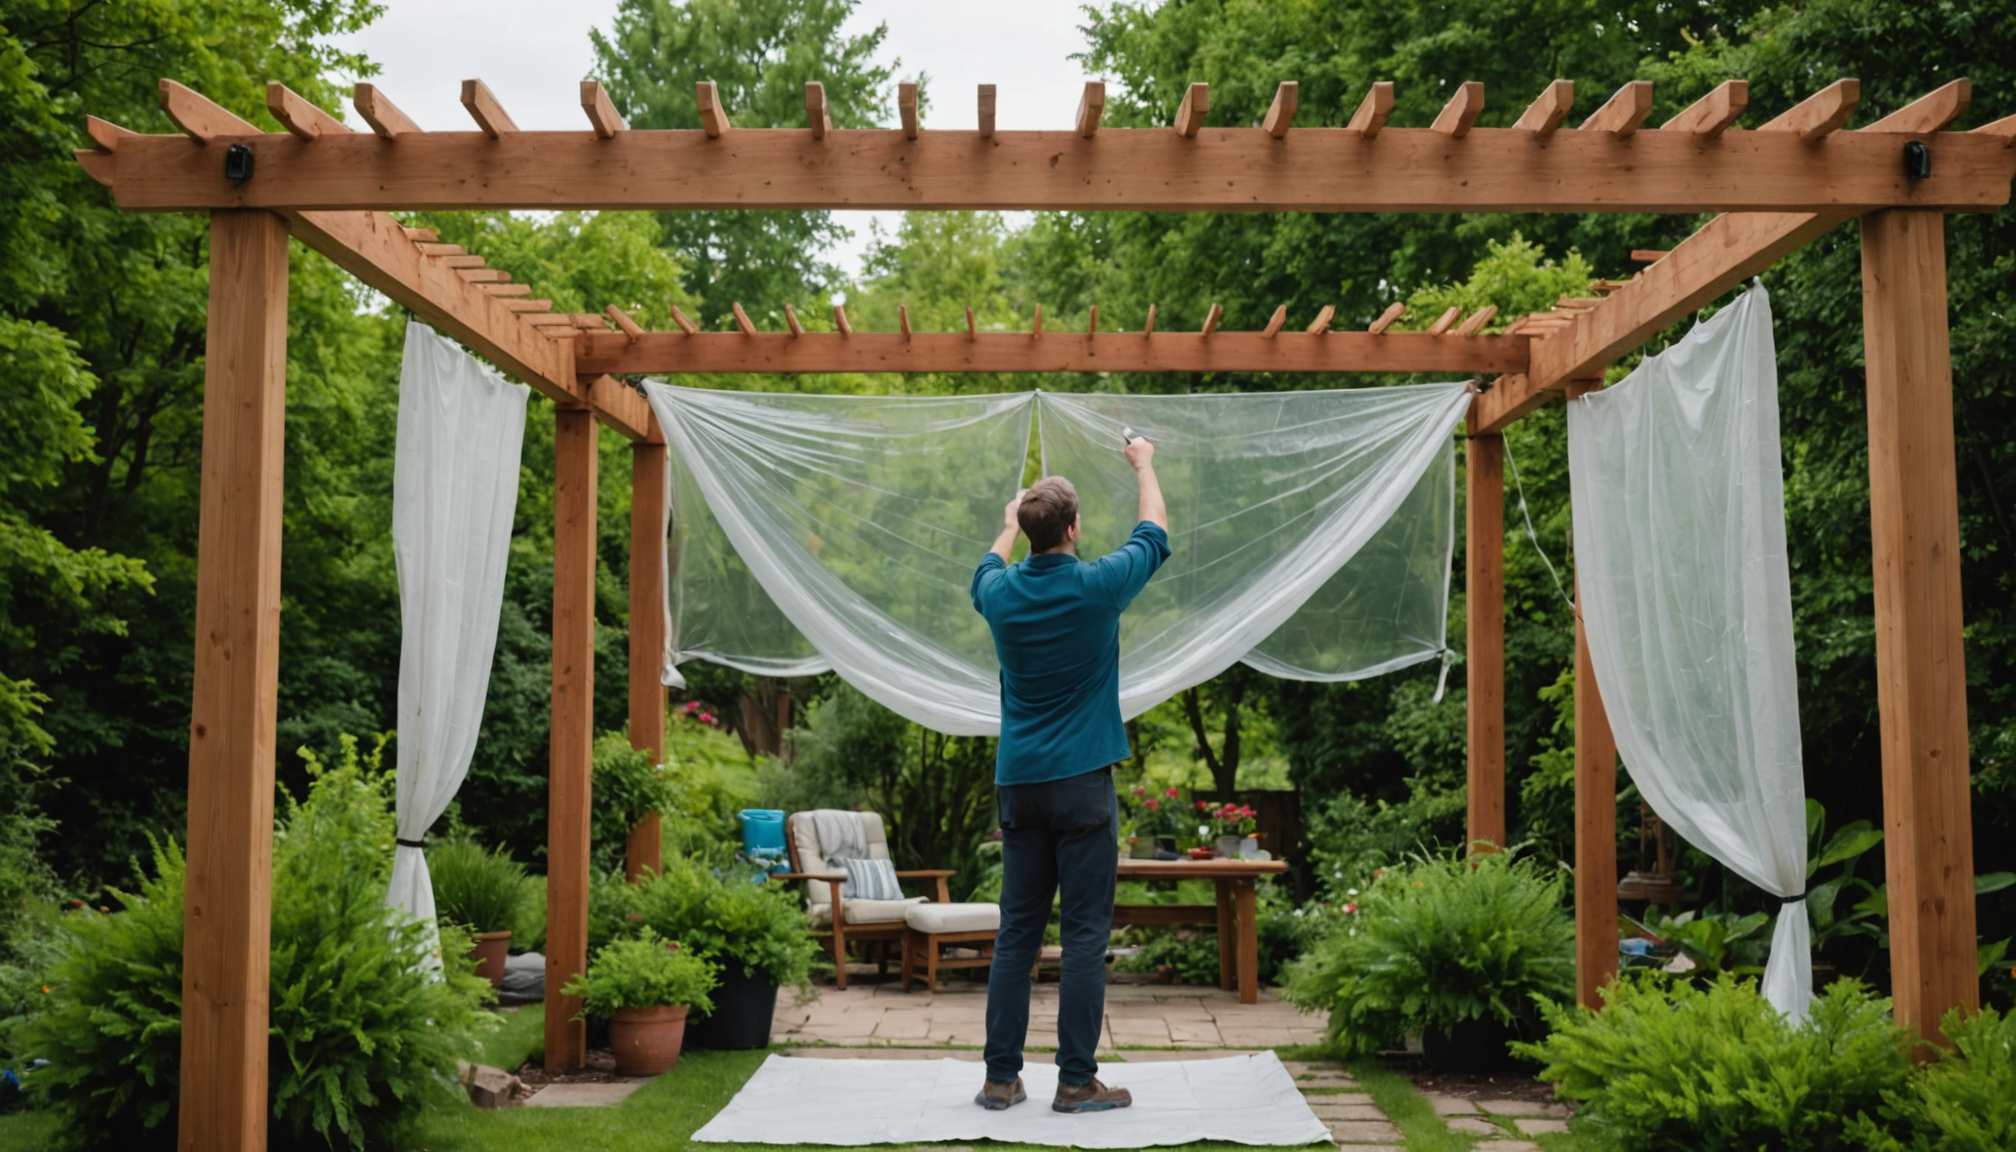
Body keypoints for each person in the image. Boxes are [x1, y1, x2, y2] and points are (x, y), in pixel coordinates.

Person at [968, 435, 1169, 1114]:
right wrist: (1142, 463)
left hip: (1019, 784)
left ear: (1027, 531)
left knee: (1017, 933)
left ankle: (1000, 1080)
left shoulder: (998, 595)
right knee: (1083, 936)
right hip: (1083, 783)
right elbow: (1154, 531)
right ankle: (1076, 1083)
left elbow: (983, 570)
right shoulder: (1097, 585)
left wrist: (1005, 523)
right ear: (1075, 529)